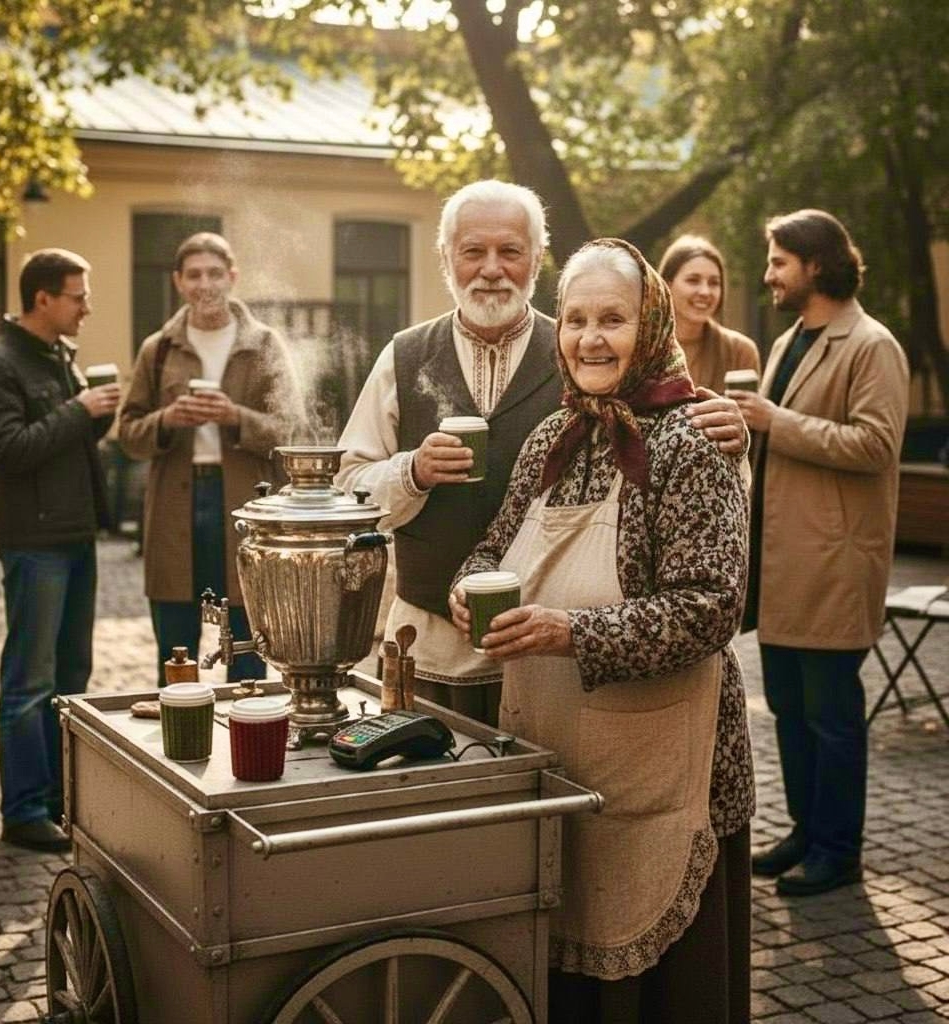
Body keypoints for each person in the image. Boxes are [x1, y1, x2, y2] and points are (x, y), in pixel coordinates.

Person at [450, 238, 754, 1023]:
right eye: (577, 318)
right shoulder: (553, 438)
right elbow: (494, 544)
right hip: (559, 756)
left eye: (612, 319)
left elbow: (713, 606)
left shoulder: (694, 441)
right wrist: (464, 589)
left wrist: (569, 633)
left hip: (665, 767)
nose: (590, 337)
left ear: (649, 324)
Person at [336, 180, 745, 727]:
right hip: (431, 644)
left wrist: (731, 437)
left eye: (510, 251)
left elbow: (680, 436)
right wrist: (412, 471)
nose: (491, 269)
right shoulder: (407, 356)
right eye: (472, 252)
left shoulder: (581, 350)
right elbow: (347, 489)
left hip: (561, 671)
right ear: (446, 259)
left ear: (536, 260)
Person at [732, 209, 909, 897]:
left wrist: (776, 421)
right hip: (778, 561)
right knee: (788, 705)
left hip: (833, 562)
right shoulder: (787, 342)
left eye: (778, 261)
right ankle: (806, 832)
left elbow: (876, 445)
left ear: (816, 264)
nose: (768, 274)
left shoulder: (873, 345)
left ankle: (839, 850)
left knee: (832, 714)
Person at [0, 248, 120, 853]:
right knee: (30, 680)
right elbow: (10, 452)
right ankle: (24, 809)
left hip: (75, 535)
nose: (87, 306)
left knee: (71, 676)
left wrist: (94, 415)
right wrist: (77, 409)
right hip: (34, 544)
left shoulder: (58, 355)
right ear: (43, 300)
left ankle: (61, 797)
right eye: (78, 297)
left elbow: (66, 440)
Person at [119, 233, 305, 685]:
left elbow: (291, 428)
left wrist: (233, 416)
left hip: (243, 505)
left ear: (232, 277)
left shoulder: (262, 344)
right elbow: (128, 434)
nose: (206, 284)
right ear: (179, 282)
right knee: (176, 648)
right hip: (174, 509)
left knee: (246, 647)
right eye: (195, 275)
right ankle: (181, 741)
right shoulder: (157, 348)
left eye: (215, 274)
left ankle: (246, 741)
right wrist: (167, 419)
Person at [658, 234, 761, 394]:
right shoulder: (640, 348)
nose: (705, 292)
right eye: (693, 280)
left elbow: (748, 417)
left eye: (714, 283)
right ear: (667, 285)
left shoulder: (739, 351)